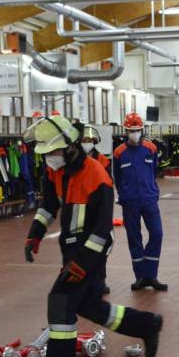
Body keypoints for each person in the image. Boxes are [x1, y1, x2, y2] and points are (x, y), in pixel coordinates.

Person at [23, 116, 163, 357]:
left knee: (60, 301)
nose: (49, 157)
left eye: (53, 151)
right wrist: (35, 233)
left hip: (91, 251)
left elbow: (101, 230)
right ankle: (146, 325)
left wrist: (82, 263)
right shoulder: (56, 171)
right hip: (71, 249)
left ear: (70, 147)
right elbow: (49, 204)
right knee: (89, 306)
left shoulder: (97, 176)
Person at [113, 112, 167, 291]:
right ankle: (140, 277)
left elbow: (154, 171)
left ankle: (150, 275)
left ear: (142, 130)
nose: (134, 133)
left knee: (157, 233)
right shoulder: (119, 152)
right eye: (131, 130)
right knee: (134, 238)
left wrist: (151, 190)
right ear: (126, 131)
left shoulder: (151, 148)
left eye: (137, 130)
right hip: (130, 202)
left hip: (149, 199)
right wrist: (124, 194)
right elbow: (118, 177)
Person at [81, 124, 111, 294]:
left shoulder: (103, 161)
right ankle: (85, 282)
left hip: (99, 209)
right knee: (82, 248)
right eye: (83, 140)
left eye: (89, 140)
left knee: (101, 246)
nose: (86, 143)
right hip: (81, 209)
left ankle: (100, 280)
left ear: (94, 142)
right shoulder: (75, 161)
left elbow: (108, 184)